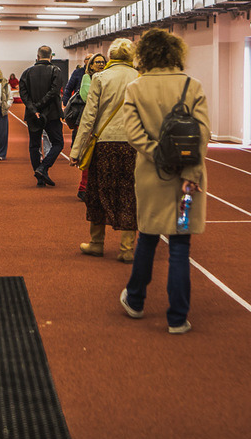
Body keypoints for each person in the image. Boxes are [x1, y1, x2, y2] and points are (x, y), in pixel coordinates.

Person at [119, 29, 209, 335]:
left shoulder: (135, 88)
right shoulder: (192, 85)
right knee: (180, 244)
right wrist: (189, 175)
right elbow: (202, 136)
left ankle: (135, 300)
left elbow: (133, 134)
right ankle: (177, 318)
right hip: (187, 183)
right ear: (175, 53)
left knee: (147, 235)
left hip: (151, 178)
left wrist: (160, 155)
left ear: (144, 54)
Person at [69, 39, 138, 262]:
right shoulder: (140, 78)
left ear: (110, 56)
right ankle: (127, 248)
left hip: (104, 144)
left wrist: (76, 150)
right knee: (129, 194)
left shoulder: (100, 78)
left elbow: (88, 117)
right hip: (133, 145)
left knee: (97, 193)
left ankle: (97, 243)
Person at [19, 46, 66, 187]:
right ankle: (43, 168)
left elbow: (23, 94)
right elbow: (54, 92)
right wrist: (40, 105)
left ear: (37, 57)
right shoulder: (56, 71)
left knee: (34, 146)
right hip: (52, 113)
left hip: (33, 115)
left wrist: (34, 108)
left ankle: (40, 176)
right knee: (58, 143)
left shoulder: (26, 73)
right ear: (51, 56)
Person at [73, 52, 109, 198]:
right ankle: (83, 188)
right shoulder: (87, 78)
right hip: (90, 121)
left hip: (105, 122)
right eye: (97, 62)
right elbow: (87, 96)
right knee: (88, 155)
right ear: (91, 65)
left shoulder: (108, 78)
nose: (100, 64)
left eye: (103, 62)